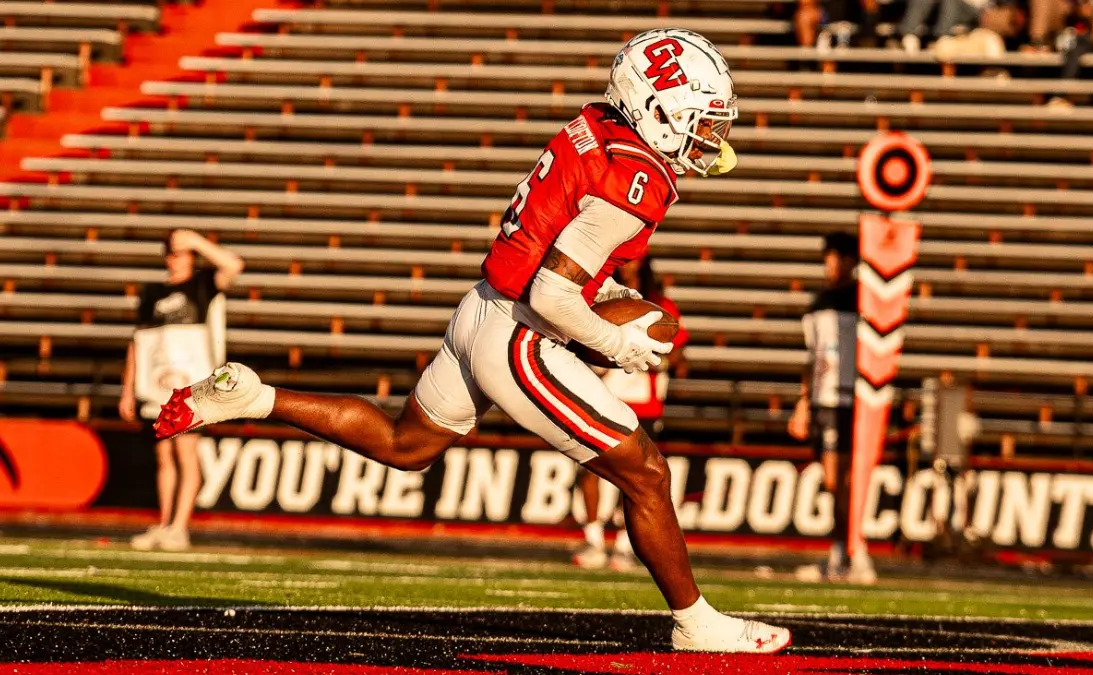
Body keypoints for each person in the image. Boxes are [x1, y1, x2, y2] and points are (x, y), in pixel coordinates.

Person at [153, 29, 789, 654]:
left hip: (481, 307)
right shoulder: (637, 181)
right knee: (646, 473)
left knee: (408, 445)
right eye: (703, 119)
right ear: (656, 112)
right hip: (521, 335)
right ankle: (696, 622)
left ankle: (256, 397)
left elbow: (562, 243)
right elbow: (553, 296)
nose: (713, 135)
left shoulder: (596, 123)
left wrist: (602, 295)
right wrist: (616, 342)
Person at [120, 229, 243, 551]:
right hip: (156, 388)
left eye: (182, 254)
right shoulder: (152, 293)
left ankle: (180, 526)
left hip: (192, 386)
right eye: (172, 254)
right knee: (164, 456)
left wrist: (198, 241)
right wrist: (127, 389)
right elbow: (138, 343)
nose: (176, 260)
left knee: (186, 453)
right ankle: (164, 524)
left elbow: (233, 266)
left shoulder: (203, 285)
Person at [573, 255, 689, 573]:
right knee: (590, 467)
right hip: (605, 393)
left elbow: (678, 350)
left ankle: (625, 545)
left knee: (638, 478)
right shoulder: (604, 299)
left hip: (645, 399)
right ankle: (594, 538)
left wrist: (655, 358)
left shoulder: (661, 304)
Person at [788, 232, 877, 585]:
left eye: (839, 258)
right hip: (825, 399)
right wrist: (803, 402)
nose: (832, 264)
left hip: (851, 399)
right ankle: (843, 551)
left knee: (845, 482)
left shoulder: (864, 301)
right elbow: (813, 358)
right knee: (832, 481)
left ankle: (852, 551)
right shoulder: (819, 302)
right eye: (829, 257)